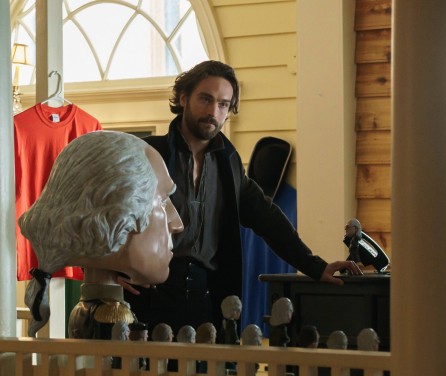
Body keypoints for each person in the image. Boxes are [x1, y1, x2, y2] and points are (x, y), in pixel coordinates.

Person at [122, 60, 362, 335]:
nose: (213, 111)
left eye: (223, 104)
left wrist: (316, 267)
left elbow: (267, 218)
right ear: (184, 98)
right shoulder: (149, 153)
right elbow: (105, 214)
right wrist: (108, 273)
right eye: (205, 99)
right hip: (148, 294)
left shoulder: (229, 163)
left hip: (205, 298)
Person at [19, 130, 184, 339]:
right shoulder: (110, 314)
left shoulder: (89, 309)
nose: (177, 224)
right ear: (120, 211)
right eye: (163, 201)